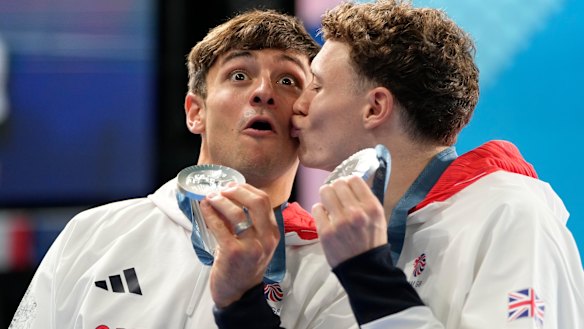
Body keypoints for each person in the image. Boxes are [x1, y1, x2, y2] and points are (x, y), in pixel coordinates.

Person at [9, 9, 358, 329]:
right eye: (239, 75)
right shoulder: (93, 234)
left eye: (287, 81)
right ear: (195, 112)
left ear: (306, 116)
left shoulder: (337, 270)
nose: (263, 92)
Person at [290, 0, 584, 328]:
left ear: (375, 108)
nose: (298, 105)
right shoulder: (356, 244)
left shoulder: (510, 213)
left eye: (317, 86)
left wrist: (369, 278)